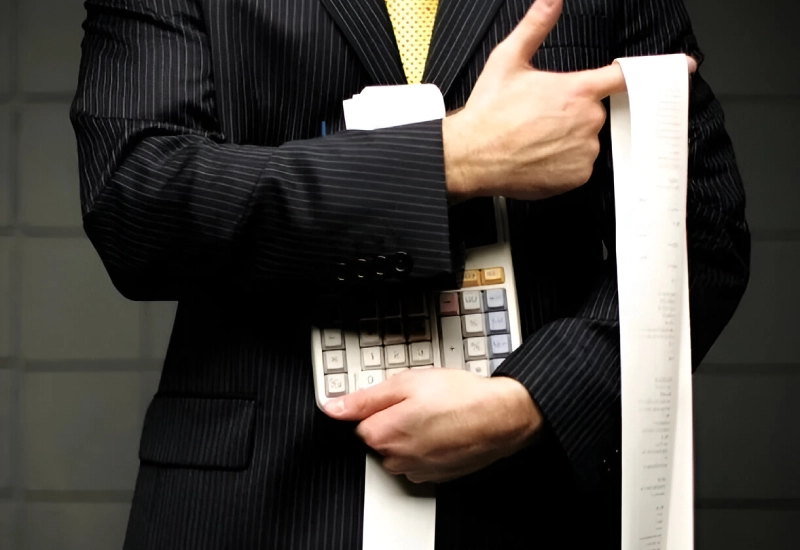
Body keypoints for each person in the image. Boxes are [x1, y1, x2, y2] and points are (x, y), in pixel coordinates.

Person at [71, 0, 750, 548]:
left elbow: (701, 232)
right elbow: (138, 199)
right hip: (258, 503)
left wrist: (536, 400)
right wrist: (454, 157)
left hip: (531, 505)